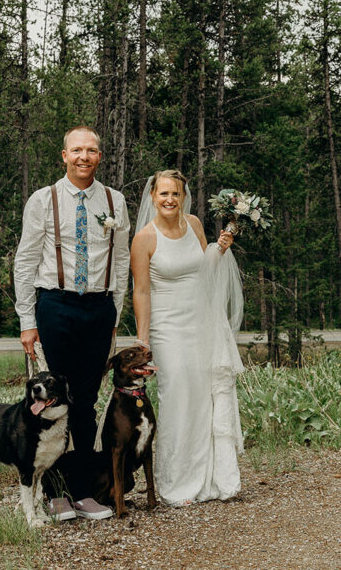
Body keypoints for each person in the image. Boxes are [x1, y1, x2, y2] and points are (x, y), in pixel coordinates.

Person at [13, 126, 130, 522]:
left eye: (91, 150)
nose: (84, 157)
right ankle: (53, 493)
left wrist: (114, 312)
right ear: (64, 156)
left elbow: (123, 260)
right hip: (55, 305)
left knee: (86, 402)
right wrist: (28, 320)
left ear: (100, 156)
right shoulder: (43, 200)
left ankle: (81, 492)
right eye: (76, 150)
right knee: (49, 400)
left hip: (98, 309)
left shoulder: (116, 201)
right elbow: (26, 261)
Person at [130, 169, 243, 506]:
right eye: (163, 193)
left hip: (201, 321)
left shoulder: (193, 225)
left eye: (175, 194)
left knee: (203, 396)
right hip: (168, 327)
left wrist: (220, 249)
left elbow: (204, 269)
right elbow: (141, 291)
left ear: (183, 196)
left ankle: (208, 478)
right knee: (178, 396)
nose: (169, 200)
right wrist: (143, 339)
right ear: (152, 196)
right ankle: (176, 482)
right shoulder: (145, 239)